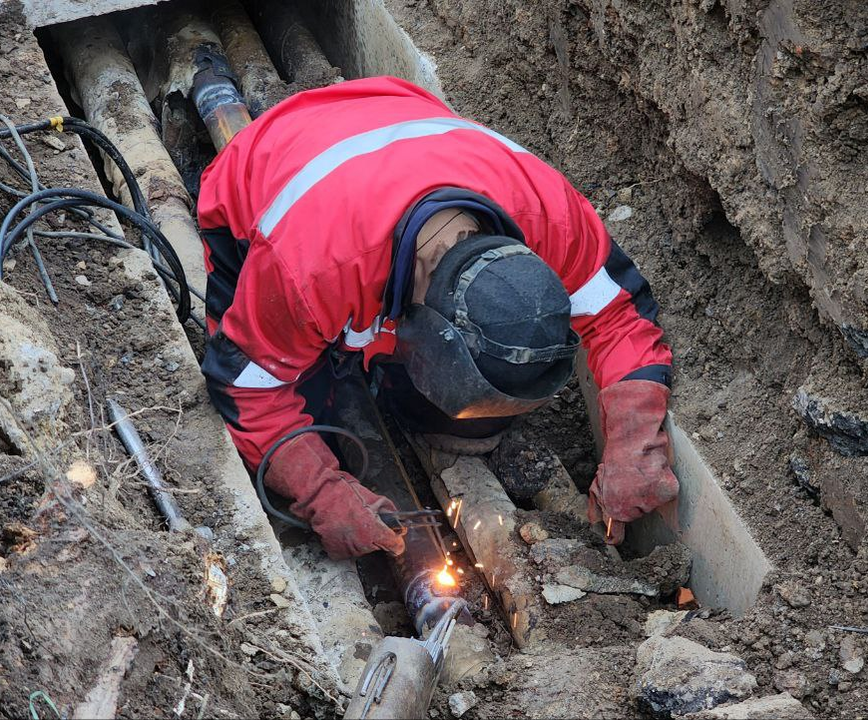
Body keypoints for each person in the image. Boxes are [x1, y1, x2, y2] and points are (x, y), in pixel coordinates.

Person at [197, 76, 677, 560]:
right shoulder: (307, 273)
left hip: (398, 113)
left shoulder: (548, 218)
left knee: (463, 421)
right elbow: (247, 387)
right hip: (261, 173)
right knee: (312, 408)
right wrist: (321, 491)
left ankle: (389, 387)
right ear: (423, 330)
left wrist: (635, 443)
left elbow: (618, 316)